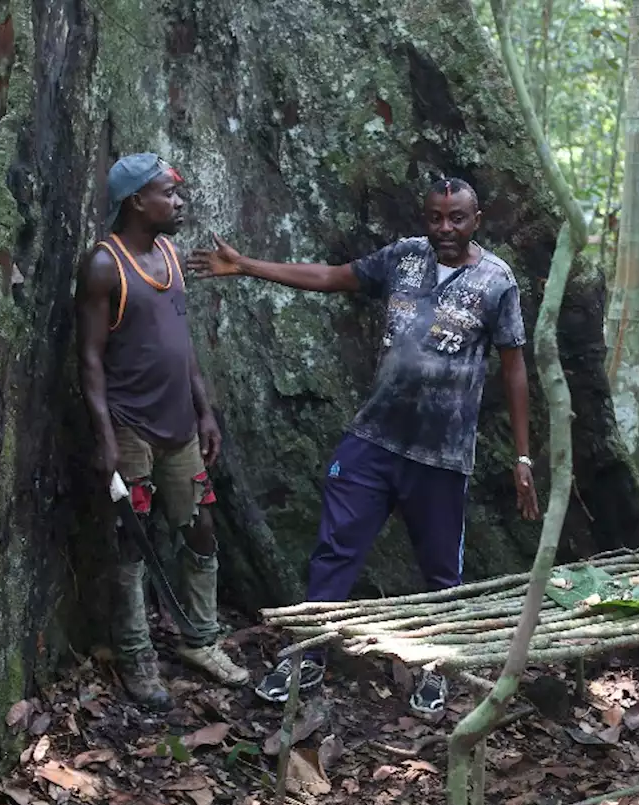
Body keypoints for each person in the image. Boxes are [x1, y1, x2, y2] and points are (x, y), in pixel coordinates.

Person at [187, 177, 540, 719]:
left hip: (440, 454)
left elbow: (514, 368)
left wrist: (522, 456)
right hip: (373, 440)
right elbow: (332, 277)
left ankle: (435, 667)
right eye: (436, 217)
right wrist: (247, 265)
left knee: (442, 572)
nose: (445, 228)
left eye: (457, 218)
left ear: (477, 218)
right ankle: (307, 655)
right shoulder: (403, 258)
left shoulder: (497, 281)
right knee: (335, 549)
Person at [75, 153, 249, 711]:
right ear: (136, 203)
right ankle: (136, 653)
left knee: (199, 523)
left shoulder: (170, 254)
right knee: (134, 536)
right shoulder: (105, 265)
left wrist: (205, 411)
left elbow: (182, 342)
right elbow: (90, 359)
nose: (178, 203)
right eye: (167, 195)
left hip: (180, 424)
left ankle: (201, 638)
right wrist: (103, 436)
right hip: (130, 426)